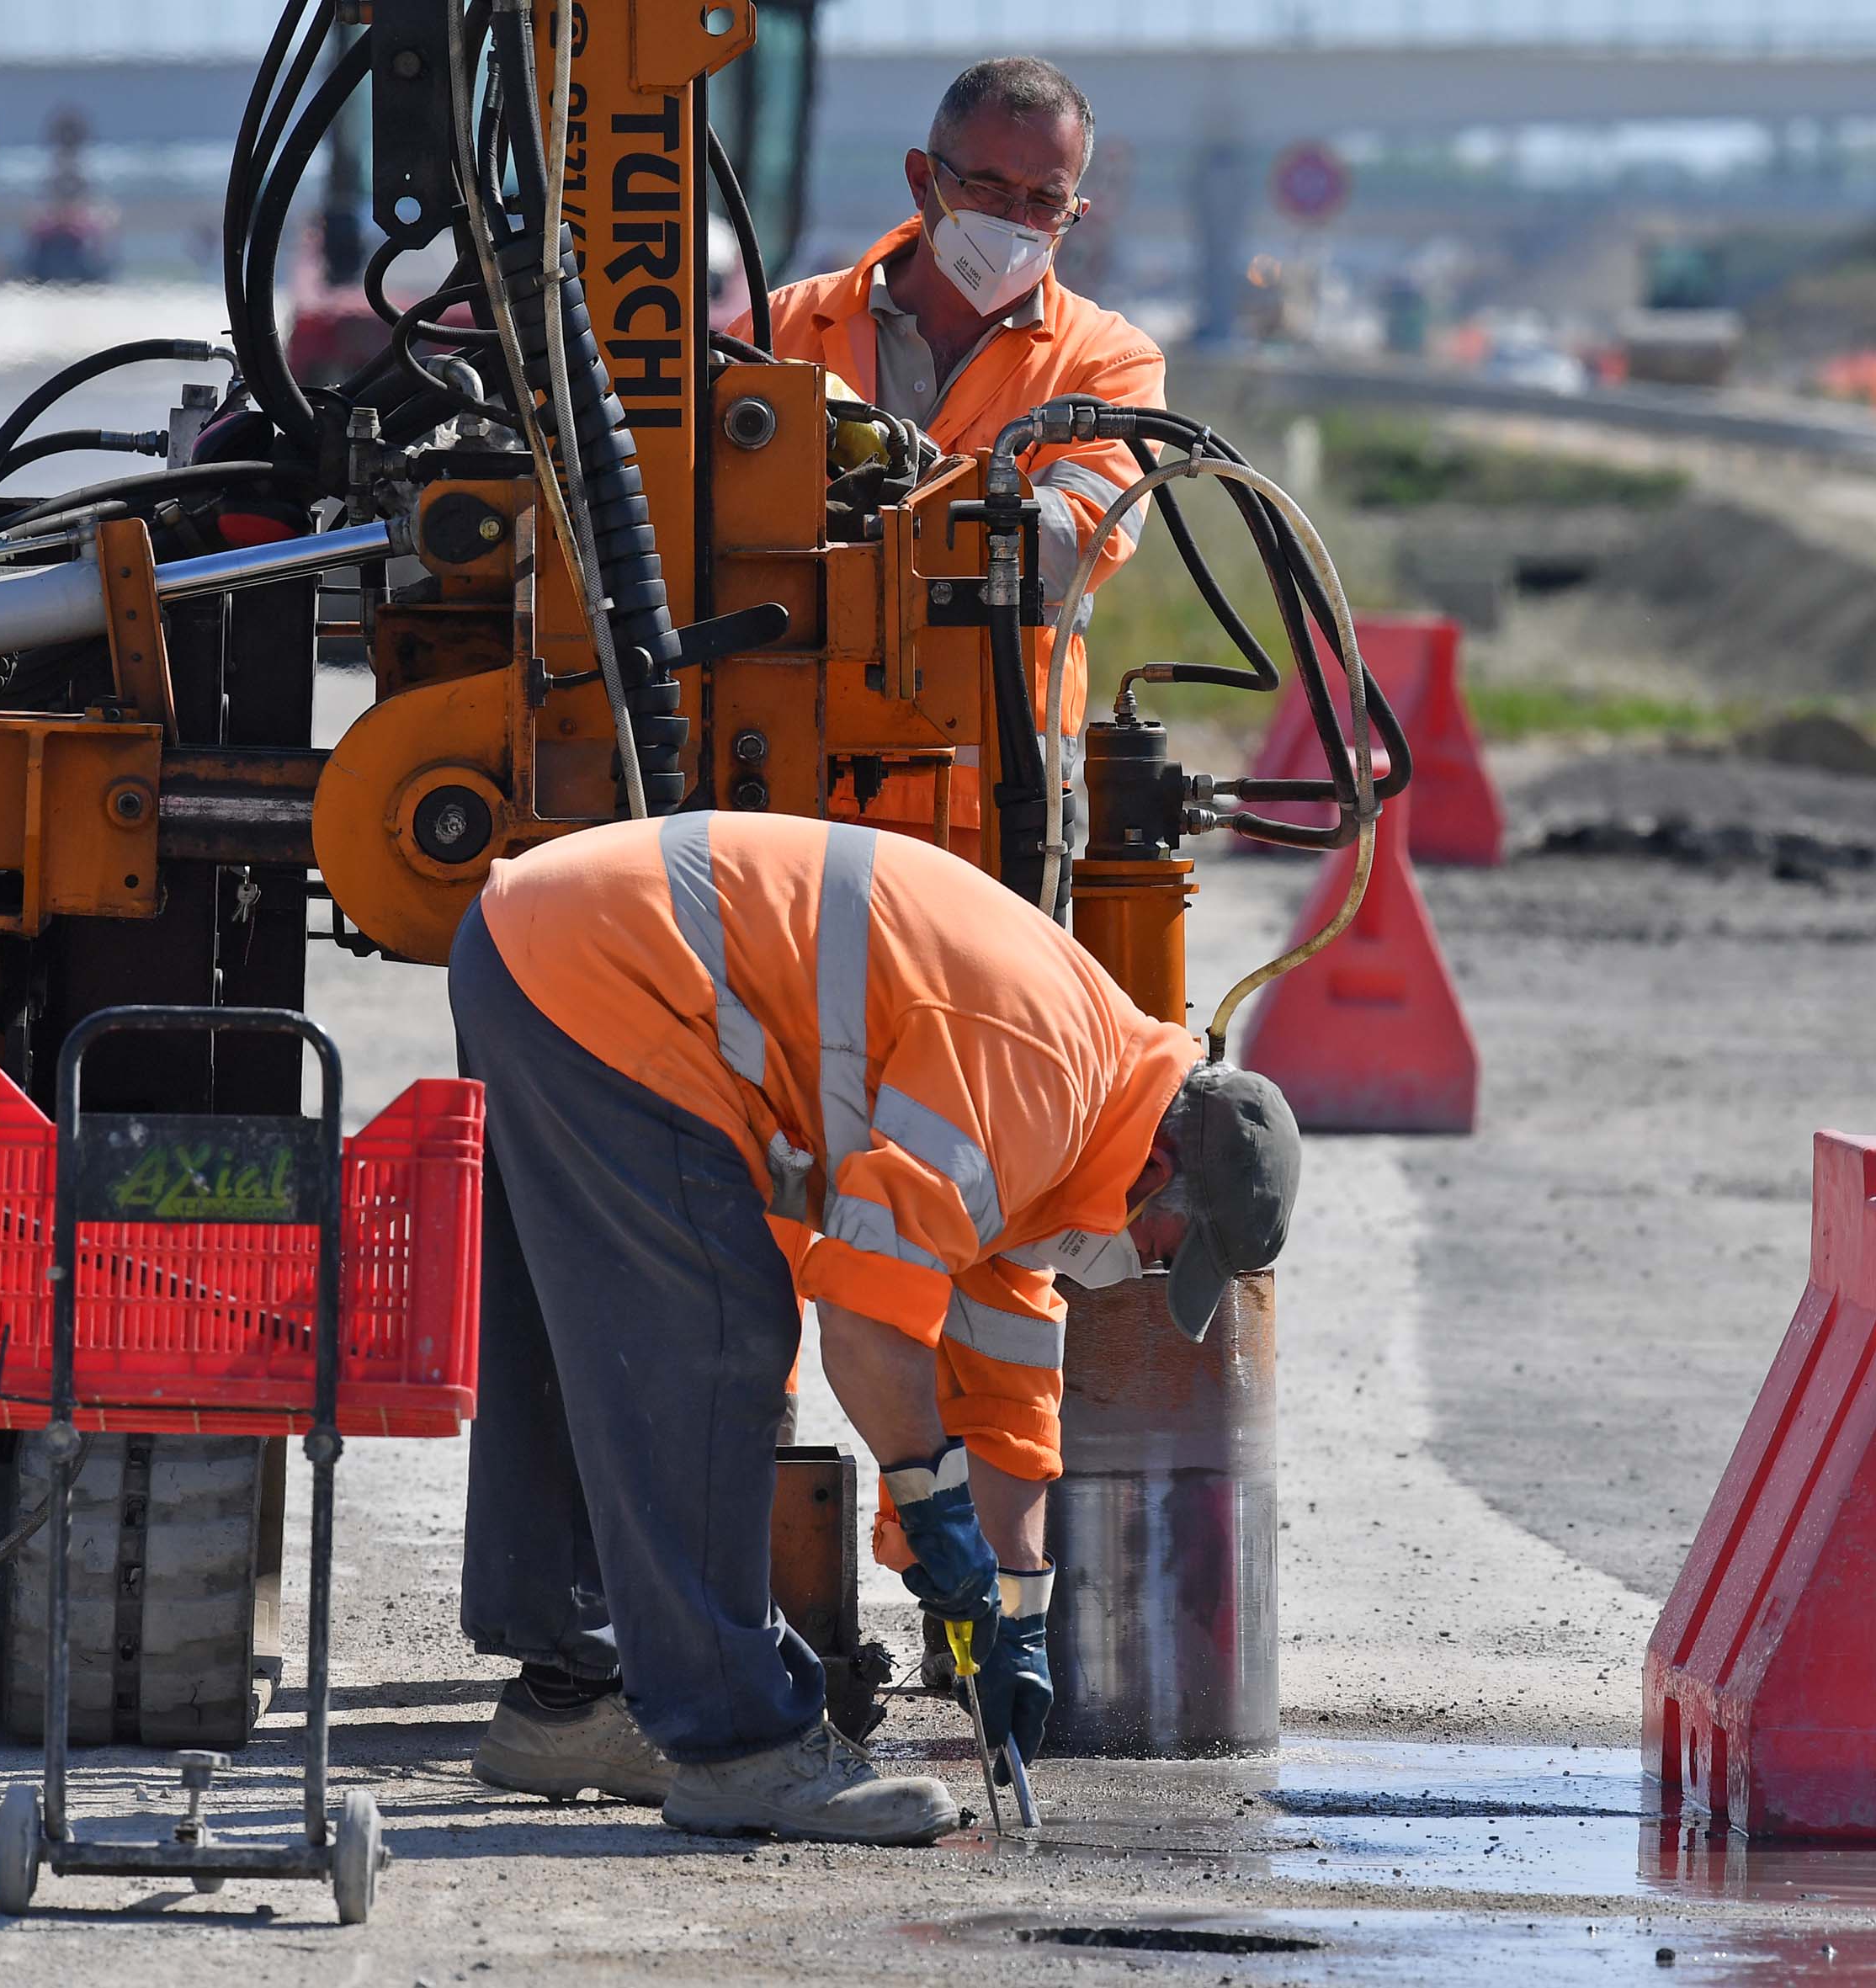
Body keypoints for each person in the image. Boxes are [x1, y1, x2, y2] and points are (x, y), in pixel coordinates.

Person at [450, 811, 1300, 1844]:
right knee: (722, 1340)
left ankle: (572, 1697)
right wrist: (929, 1505)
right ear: (1163, 1175)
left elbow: (1007, 1395)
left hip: (541, 945)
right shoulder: (1037, 1080)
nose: (1150, 1268)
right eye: (1170, 1249)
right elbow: (865, 1318)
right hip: (614, 970)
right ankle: (741, 1744)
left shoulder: (1076, 1127)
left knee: (581, 1330)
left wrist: (1019, 1621)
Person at [732, 56, 1158, 863]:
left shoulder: (1106, 364)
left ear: (1076, 211)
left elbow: (1072, 544)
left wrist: (877, 499)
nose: (1015, 222)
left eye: (1045, 202)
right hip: (789, 782)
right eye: (990, 190)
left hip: (991, 802)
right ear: (922, 180)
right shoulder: (779, 335)